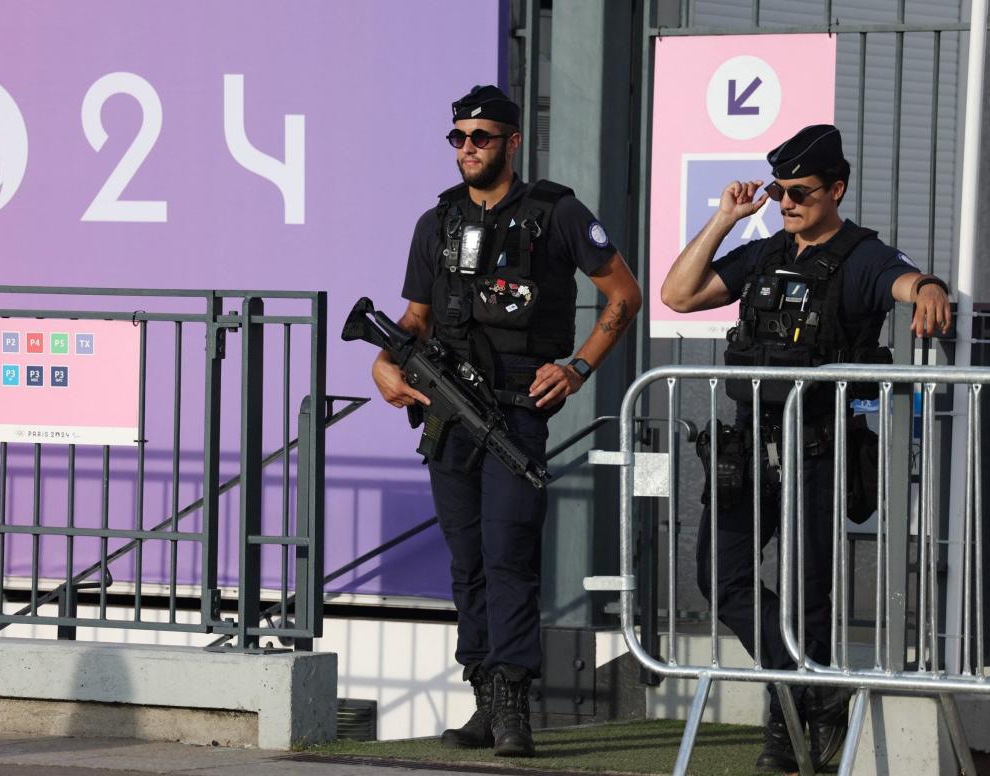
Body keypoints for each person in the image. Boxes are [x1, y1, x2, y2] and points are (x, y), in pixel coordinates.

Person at [660, 124, 952, 773]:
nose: (786, 201)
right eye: (778, 190)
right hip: (746, 450)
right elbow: (677, 295)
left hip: (816, 449)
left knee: (804, 598)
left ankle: (784, 729)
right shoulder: (764, 254)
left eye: (800, 191)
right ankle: (812, 691)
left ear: (835, 188)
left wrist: (928, 286)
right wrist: (726, 218)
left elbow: (903, 283)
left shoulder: (861, 256)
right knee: (719, 576)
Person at [370, 84, 641, 757]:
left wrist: (577, 368)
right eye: (458, 137)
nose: (468, 148)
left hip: (516, 411)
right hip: (446, 412)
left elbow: (623, 294)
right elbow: (414, 320)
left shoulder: (556, 213)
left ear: (511, 142)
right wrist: (383, 366)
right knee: (466, 563)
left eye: (481, 137)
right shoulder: (435, 222)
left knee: (509, 556)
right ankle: (482, 697)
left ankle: (514, 701)